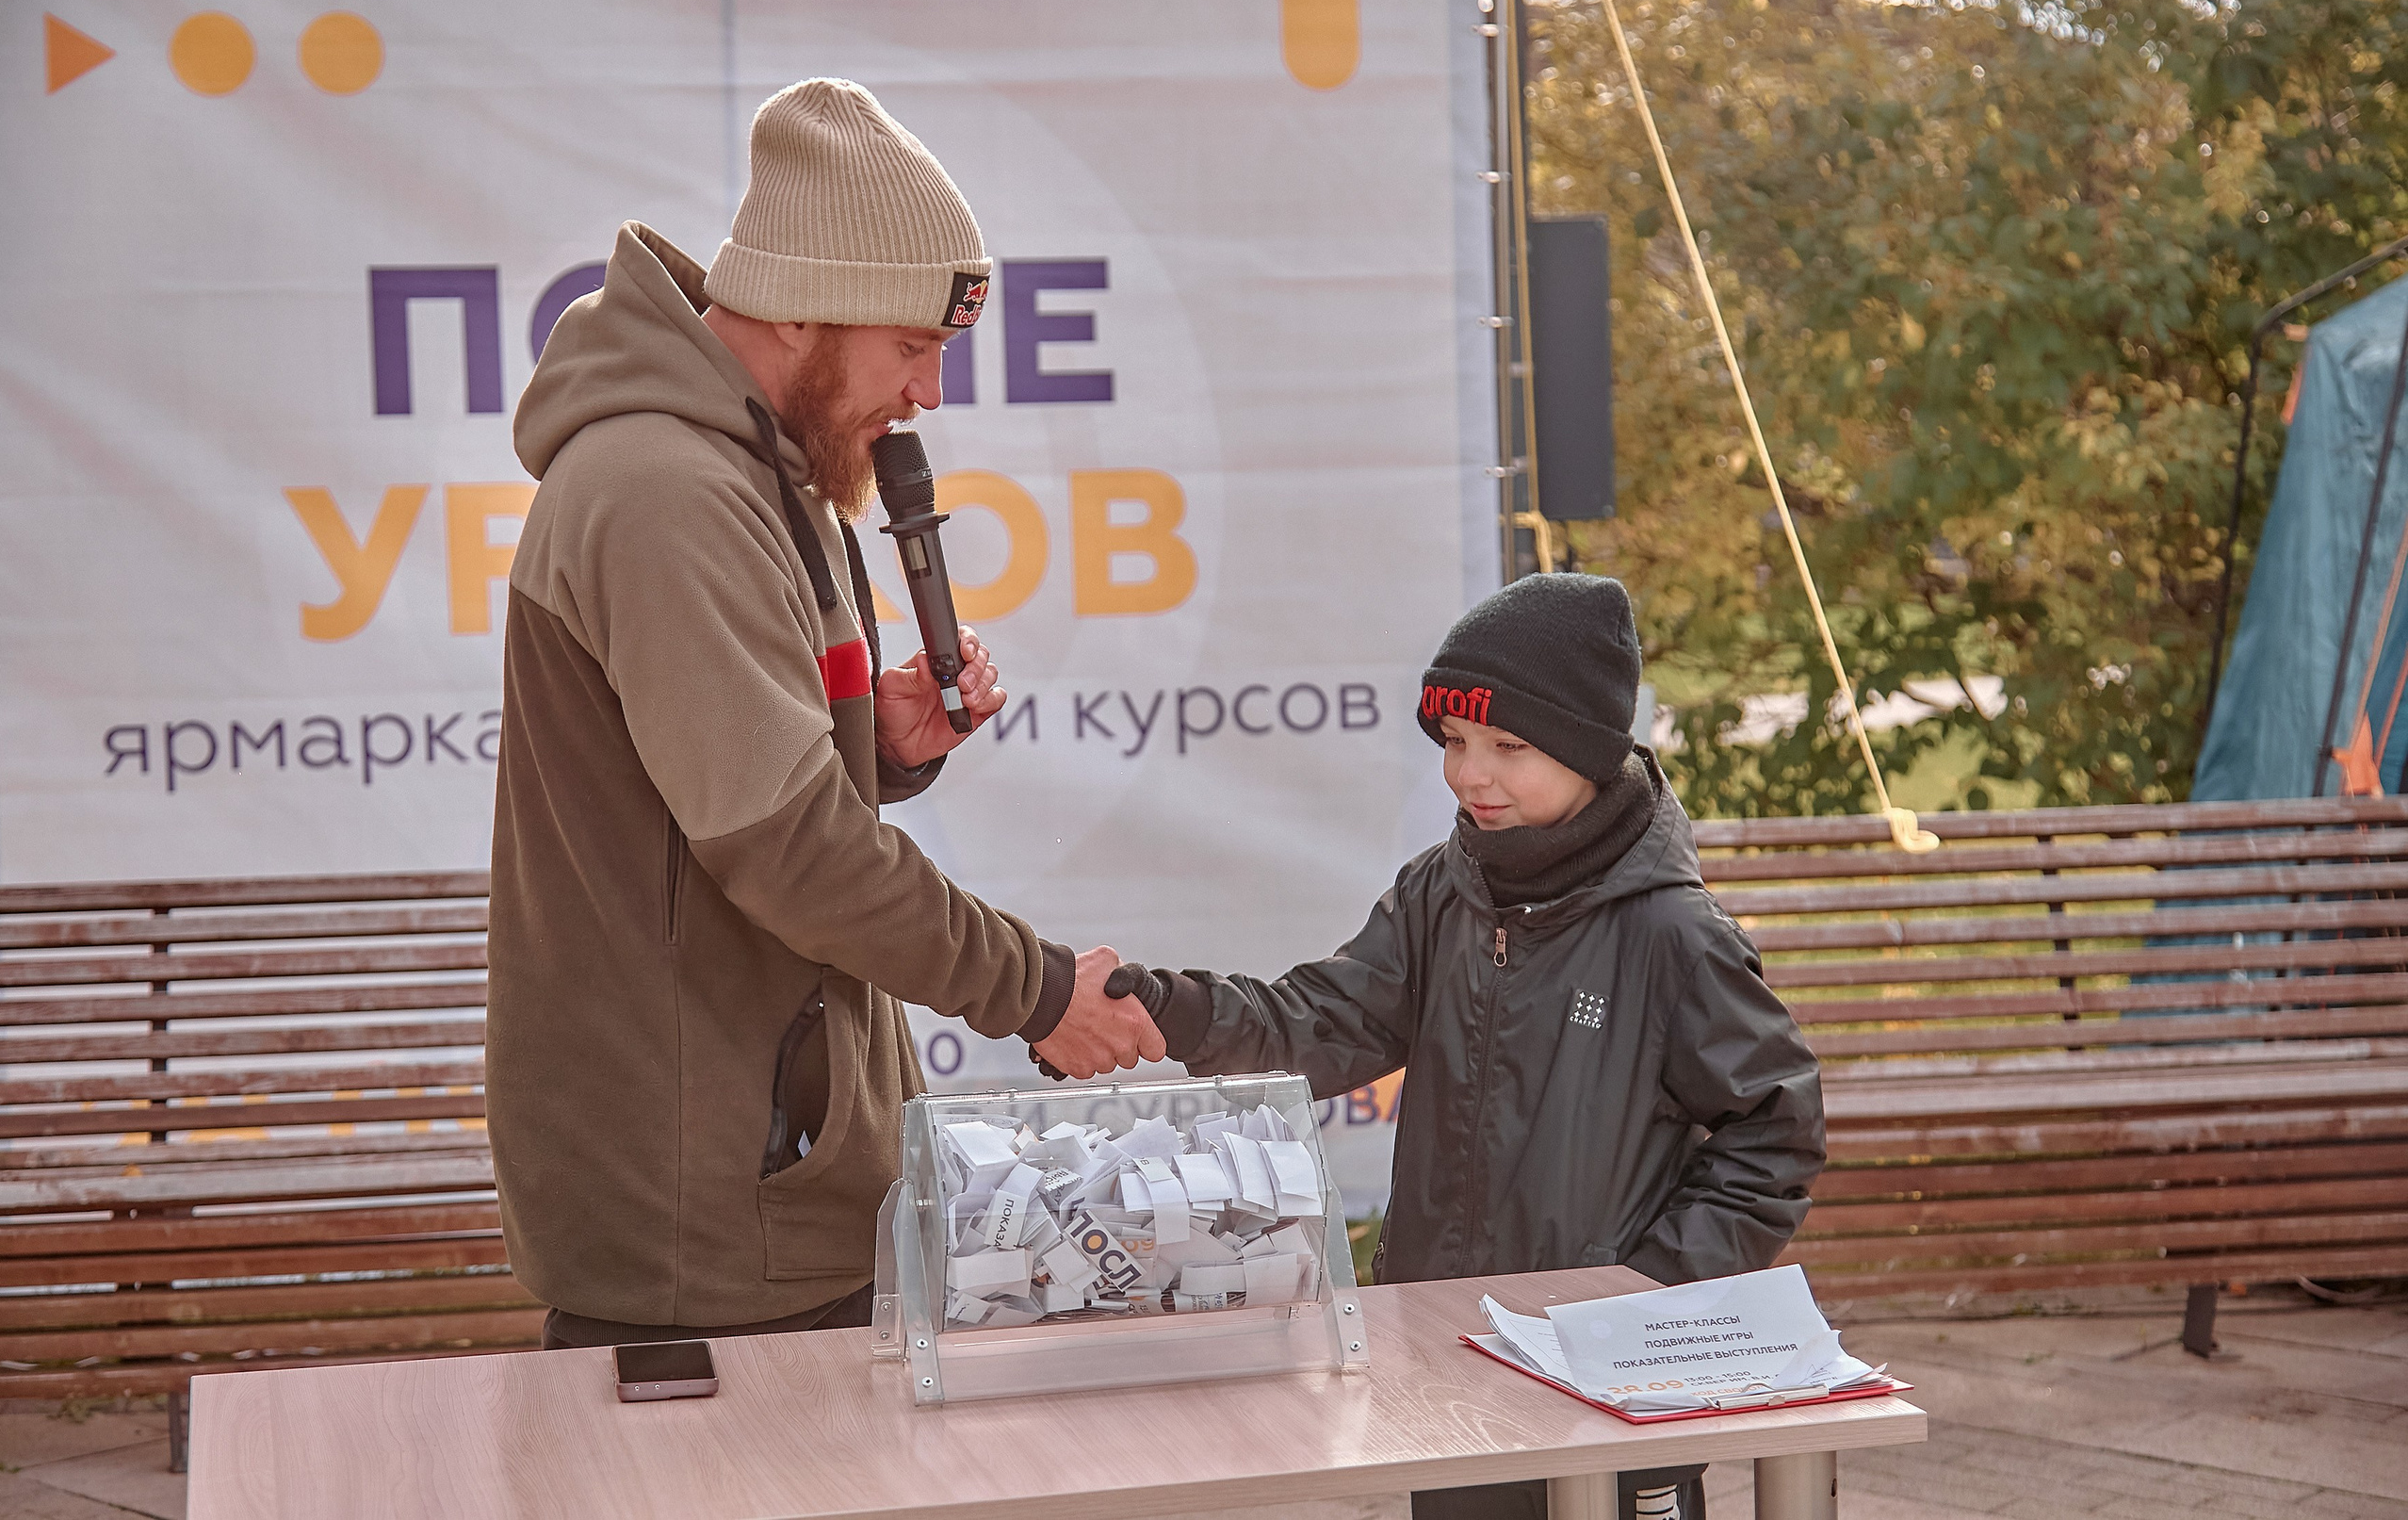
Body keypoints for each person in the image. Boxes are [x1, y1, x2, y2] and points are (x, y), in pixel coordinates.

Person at [485, 79, 1163, 1351]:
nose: (930, 394)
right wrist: (1032, 991)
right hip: (700, 1206)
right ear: (802, 306)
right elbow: (784, 842)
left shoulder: (756, 470)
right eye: (914, 347)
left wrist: (882, 743)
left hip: (754, 1166)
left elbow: (724, 786)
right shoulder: (667, 492)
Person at [1107, 573, 1826, 1520]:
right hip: (1446, 1357)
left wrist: (1645, 1297)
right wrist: (1174, 1010)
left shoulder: (1673, 936)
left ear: (1589, 750)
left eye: (1507, 746)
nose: (1468, 773)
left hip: (1606, 1386)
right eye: (1452, 742)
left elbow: (1771, 1135)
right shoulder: (1438, 895)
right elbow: (1321, 1016)